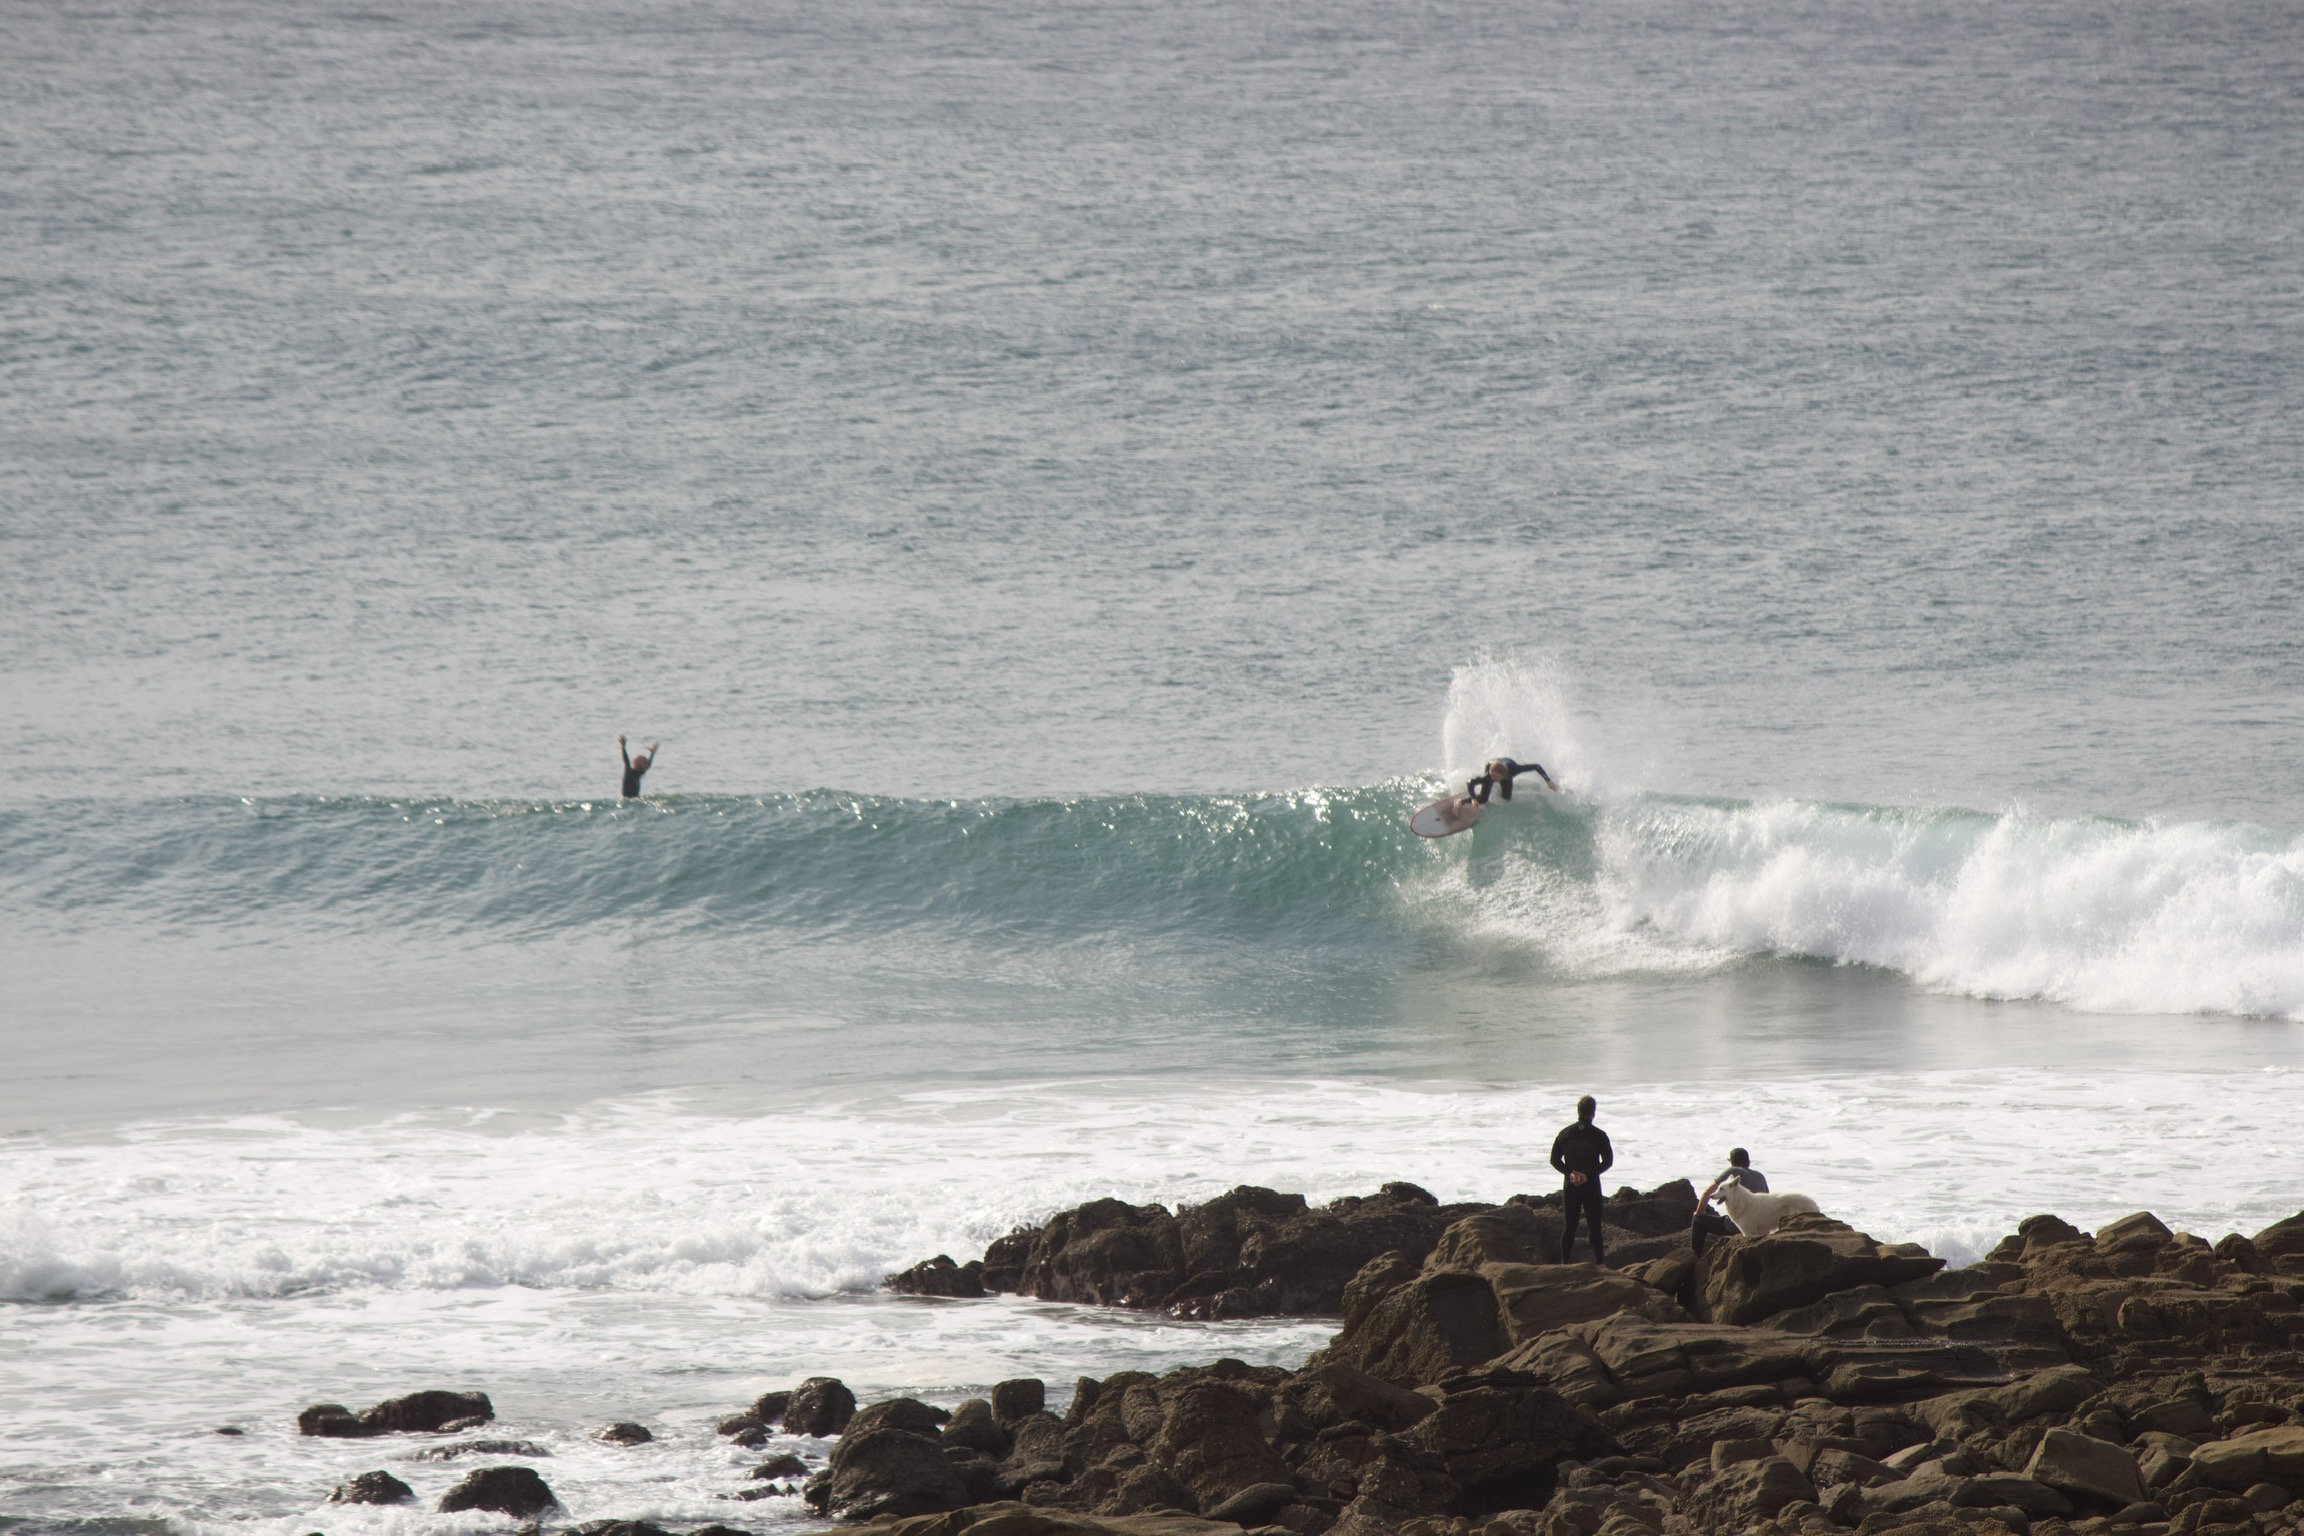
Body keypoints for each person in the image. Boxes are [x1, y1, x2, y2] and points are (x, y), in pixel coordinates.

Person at [1549, 1094, 1614, 1264]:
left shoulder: (1564, 1133)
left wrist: (1569, 1172)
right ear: (1593, 1113)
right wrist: (1588, 1175)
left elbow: (1554, 1159)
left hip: (1571, 1185)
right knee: (1594, 1227)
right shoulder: (1599, 1135)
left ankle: (1565, 1263)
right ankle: (1600, 1264)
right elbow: (1608, 1161)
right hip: (1591, 1185)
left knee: (1570, 1226)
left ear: (1578, 1111)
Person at [1691, 1147, 1769, 1257]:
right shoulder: (1760, 1176)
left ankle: (1695, 1257)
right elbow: (1767, 1199)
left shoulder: (1733, 1172)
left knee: (1698, 1221)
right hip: (1760, 1225)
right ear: (1749, 1162)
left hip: (1738, 1225)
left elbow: (1708, 1192)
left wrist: (1698, 1213)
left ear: (1732, 1163)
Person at [1467, 757, 1558, 805]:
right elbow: (1470, 783)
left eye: (1495, 777)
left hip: (1505, 767)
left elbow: (1536, 766)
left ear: (1501, 775)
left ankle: (1495, 789)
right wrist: (1474, 799)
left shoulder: (1514, 770)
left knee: (1506, 798)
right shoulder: (1491, 775)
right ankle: (1460, 802)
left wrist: (1548, 781)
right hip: (1491, 765)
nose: (1492, 778)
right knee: (1483, 800)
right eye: (1492, 777)